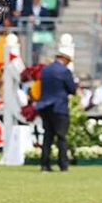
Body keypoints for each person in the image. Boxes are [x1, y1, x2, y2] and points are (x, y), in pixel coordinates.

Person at [35, 43, 77, 173]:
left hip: (45, 106)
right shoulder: (65, 71)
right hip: (59, 107)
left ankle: (45, 165)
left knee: (47, 136)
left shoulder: (46, 70)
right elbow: (72, 89)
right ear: (65, 59)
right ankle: (63, 164)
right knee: (61, 137)